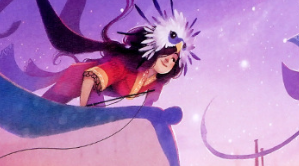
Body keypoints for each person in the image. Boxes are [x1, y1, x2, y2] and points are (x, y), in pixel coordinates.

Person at [43, 10, 196, 106]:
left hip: (98, 89)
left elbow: (148, 106)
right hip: (77, 79)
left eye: (174, 59)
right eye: (166, 54)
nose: (169, 60)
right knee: (45, 107)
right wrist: (88, 112)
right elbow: (90, 78)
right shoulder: (123, 65)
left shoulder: (156, 82)